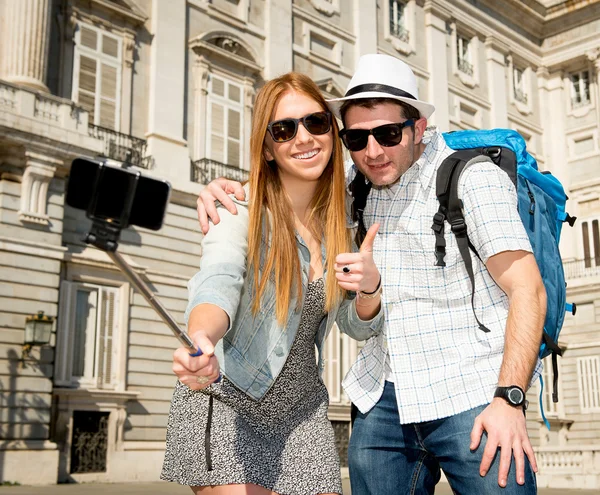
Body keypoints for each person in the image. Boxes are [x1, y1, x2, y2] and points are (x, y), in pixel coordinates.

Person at [195, 54, 547, 494]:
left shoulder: (473, 179)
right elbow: (288, 175)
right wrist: (227, 190)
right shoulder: (355, 183)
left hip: (471, 398)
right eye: (358, 138)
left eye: (388, 133)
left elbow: (528, 289)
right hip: (382, 401)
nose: (373, 150)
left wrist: (510, 399)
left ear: (418, 127)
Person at [161, 72, 384, 495]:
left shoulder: (343, 229)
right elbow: (218, 278)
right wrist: (201, 338)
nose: (304, 138)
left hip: (302, 410)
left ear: (332, 133)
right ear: (267, 148)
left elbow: (355, 327)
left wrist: (370, 288)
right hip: (229, 397)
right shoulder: (239, 209)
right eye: (284, 129)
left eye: (316, 123)